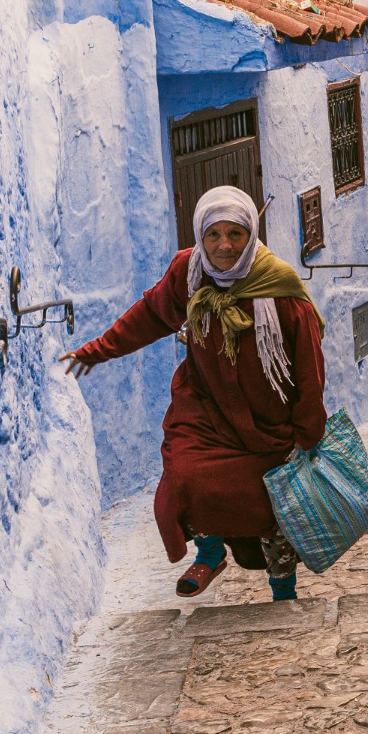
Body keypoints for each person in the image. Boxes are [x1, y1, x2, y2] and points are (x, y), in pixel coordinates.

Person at [62, 185, 325, 600]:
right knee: (186, 477)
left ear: (251, 234)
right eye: (213, 234)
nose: (224, 245)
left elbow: (310, 369)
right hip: (205, 408)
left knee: (271, 502)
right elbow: (150, 315)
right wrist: (98, 350)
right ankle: (209, 552)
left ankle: (283, 589)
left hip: (267, 422)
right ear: (200, 236)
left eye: (235, 234)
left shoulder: (280, 289)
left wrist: (307, 435)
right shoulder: (189, 273)